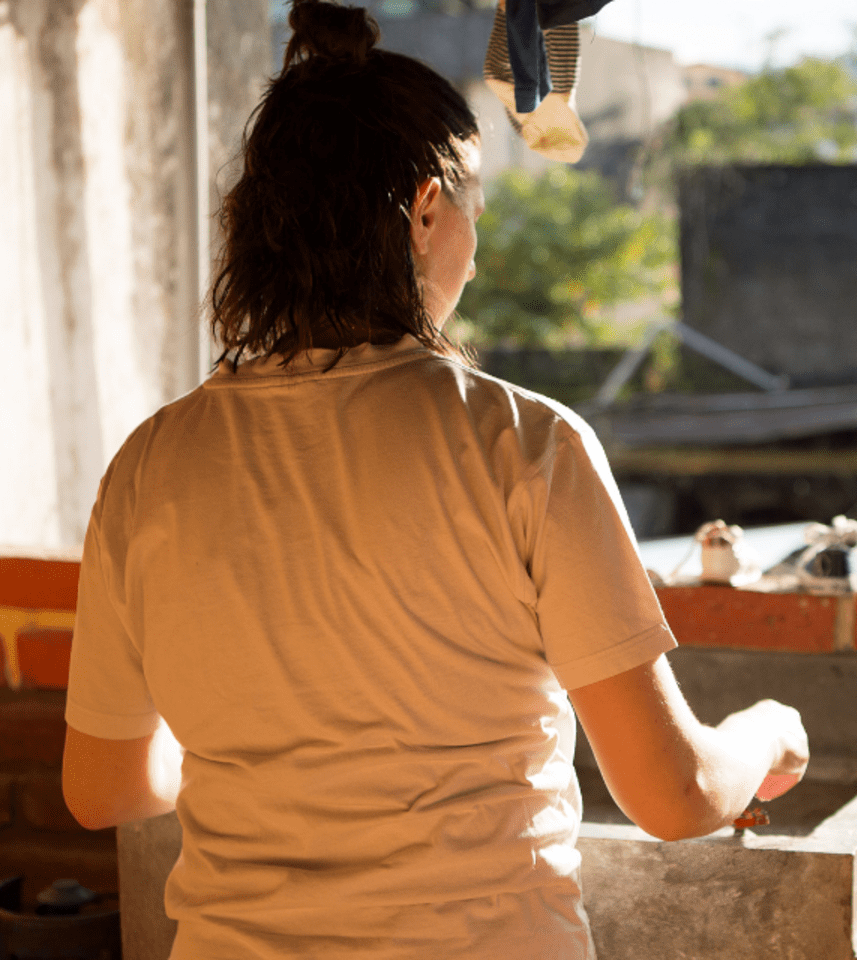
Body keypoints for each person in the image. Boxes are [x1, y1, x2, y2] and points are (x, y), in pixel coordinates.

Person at [58, 3, 808, 957]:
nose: (477, 245)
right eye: (474, 212)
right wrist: (766, 731)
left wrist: (261, 752)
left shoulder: (149, 465)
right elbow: (676, 794)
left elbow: (104, 788)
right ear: (422, 210)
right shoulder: (525, 445)